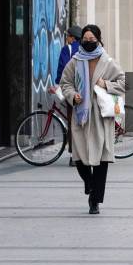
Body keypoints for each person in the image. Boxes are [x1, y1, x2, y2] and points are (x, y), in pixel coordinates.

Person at [60, 24, 125, 214]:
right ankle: (90, 185)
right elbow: (65, 83)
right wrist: (73, 95)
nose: (88, 43)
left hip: (101, 116)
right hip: (81, 115)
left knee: (101, 159)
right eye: (85, 40)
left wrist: (104, 83)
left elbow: (123, 82)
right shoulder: (75, 61)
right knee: (79, 157)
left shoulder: (108, 61)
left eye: (92, 40)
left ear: (98, 39)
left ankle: (95, 201)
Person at [48, 25, 82, 167]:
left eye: (67, 36)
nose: (66, 38)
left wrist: (57, 84)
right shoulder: (87, 49)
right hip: (85, 90)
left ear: (72, 38)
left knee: (72, 122)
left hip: (72, 91)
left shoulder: (67, 49)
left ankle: (75, 156)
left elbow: (63, 69)